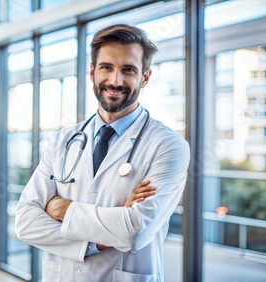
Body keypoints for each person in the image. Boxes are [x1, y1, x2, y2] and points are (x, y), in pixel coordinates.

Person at [15, 24, 190, 282]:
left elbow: (134, 231)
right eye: (106, 67)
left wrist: (62, 209)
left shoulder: (168, 145)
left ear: (145, 77)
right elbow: (26, 223)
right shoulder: (64, 140)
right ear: (92, 72)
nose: (115, 81)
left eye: (128, 70)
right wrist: (99, 242)